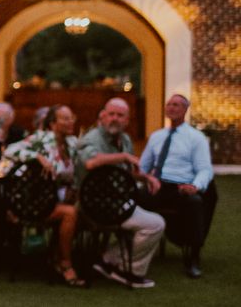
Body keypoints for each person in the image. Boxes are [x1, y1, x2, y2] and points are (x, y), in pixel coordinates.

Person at [76, 97, 165, 289]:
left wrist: (146, 178)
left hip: (117, 202)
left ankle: (106, 260)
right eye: (111, 114)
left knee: (151, 216)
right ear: (103, 116)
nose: (114, 119)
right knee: (155, 224)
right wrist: (124, 156)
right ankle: (129, 271)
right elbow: (91, 163)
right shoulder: (91, 139)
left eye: (120, 115)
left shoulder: (124, 139)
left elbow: (127, 172)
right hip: (94, 205)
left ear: (127, 120)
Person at [4, 105, 85, 287]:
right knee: (70, 213)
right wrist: (37, 157)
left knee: (83, 207)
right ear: (53, 123)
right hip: (38, 202)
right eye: (65, 118)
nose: (70, 121)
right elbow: (10, 150)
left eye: (71, 117)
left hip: (61, 197)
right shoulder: (42, 139)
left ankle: (62, 255)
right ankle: (65, 263)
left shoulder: (72, 143)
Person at [139, 94, 216, 278]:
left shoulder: (196, 138)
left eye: (177, 105)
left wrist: (194, 186)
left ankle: (194, 257)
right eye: (169, 104)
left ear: (185, 110)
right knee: (134, 197)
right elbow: (143, 166)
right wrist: (146, 179)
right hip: (157, 185)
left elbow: (205, 169)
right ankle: (133, 250)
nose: (172, 108)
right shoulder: (156, 137)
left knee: (195, 203)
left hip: (180, 187)